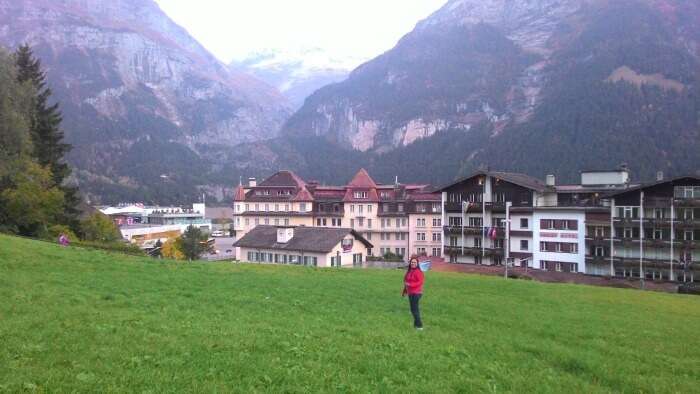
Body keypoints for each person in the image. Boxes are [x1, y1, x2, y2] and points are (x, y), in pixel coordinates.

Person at [402, 256, 425, 330]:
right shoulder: (409, 271)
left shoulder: (418, 272)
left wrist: (411, 285)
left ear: (417, 263)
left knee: (415, 309)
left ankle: (420, 326)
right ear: (410, 263)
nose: (413, 263)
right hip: (410, 292)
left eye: (414, 262)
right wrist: (405, 291)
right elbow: (406, 282)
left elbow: (420, 282)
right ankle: (416, 325)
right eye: (412, 262)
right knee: (412, 310)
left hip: (417, 293)